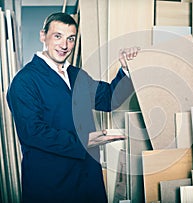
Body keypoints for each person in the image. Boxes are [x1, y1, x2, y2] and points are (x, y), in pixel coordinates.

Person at [6, 12, 139, 203]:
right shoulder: (24, 81)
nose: (64, 45)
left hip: (87, 179)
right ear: (43, 36)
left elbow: (109, 99)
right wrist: (82, 140)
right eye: (57, 36)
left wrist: (125, 68)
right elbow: (32, 132)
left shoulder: (78, 76)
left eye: (71, 38)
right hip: (51, 184)